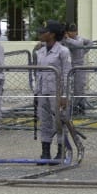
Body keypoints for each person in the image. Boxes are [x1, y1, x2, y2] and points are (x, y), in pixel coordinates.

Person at [32, 20, 72, 163]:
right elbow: (38, 73)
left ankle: (61, 151)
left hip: (57, 91)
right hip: (43, 91)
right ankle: (45, 152)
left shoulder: (63, 51)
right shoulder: (40, 51)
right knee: (45, 122)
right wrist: (36, 92)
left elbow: (67, 73)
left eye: (45, 32)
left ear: (53, 34)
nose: (41, 34)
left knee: (59, 122)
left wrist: (64, 95)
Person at [62, 22, 94, 115]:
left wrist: (83, 51)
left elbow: (87, 43)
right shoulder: (64, 40)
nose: (73, 33)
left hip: (79, 66)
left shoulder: (78, 39)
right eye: (70, 31)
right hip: (68, 66)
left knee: (79, 87)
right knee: (67, 87)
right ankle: (70, 106)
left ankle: (80, 107)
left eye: (74, 31)